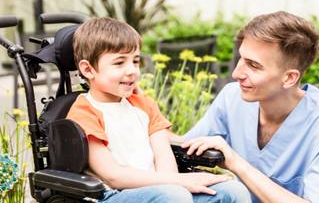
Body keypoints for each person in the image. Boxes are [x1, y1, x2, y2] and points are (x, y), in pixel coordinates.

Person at [66, 17, 251, 203]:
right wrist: (178, 183)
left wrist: (177, 182)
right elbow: (114, 175)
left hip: (162, 190)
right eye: (119, 63)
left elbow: (164, 157)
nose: (132, 70)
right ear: (88, 70)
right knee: (174, 195)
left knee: (233, 191)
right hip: (112, 195)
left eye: (136, 61)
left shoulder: (143, 104)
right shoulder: (84, 112)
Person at [180, 11, 319, 203]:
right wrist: (148, 117)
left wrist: (237, 163)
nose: (237, 73)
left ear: (289, 78)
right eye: (241, 59)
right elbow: (185, 146)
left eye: (253, 65)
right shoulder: (232, 97)